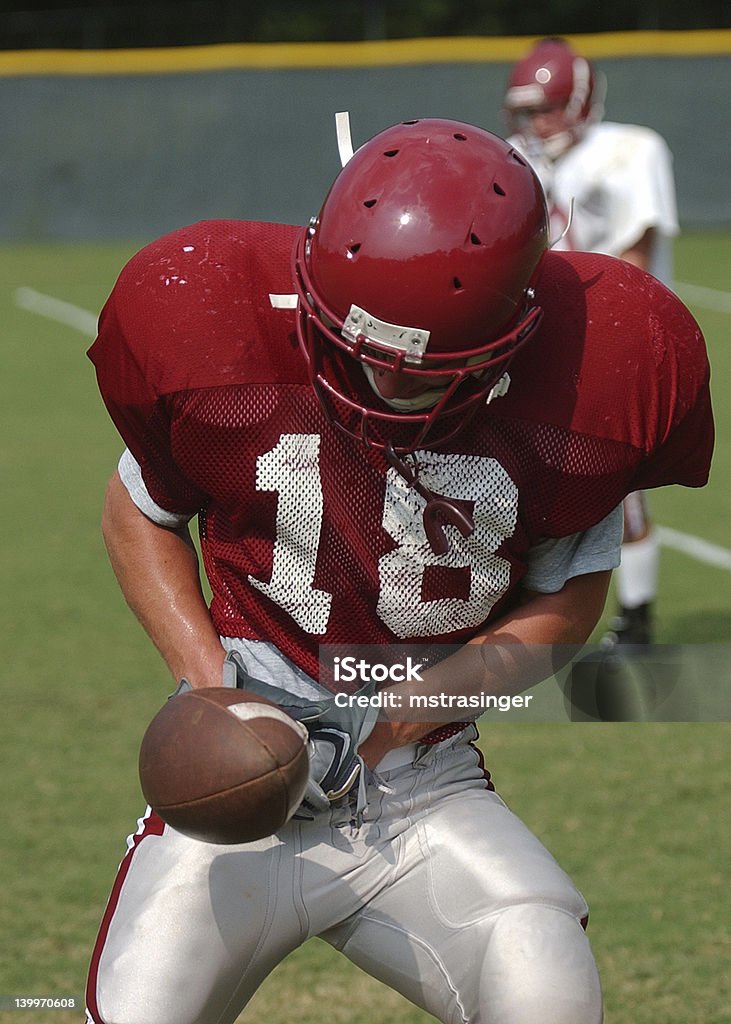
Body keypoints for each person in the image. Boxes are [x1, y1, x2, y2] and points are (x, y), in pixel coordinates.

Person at [84, 117, 713, 1024]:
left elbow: (567, 599)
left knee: (544, 981)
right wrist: (215, 688)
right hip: (244, 747)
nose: (381, 385)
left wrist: (387, 727)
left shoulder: (595, 372)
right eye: (353, 348)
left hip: (419, 786)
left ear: (515, 331)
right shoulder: (215, 320)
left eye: (421, 373)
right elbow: (138, 512)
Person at [503, 36, 681, 646]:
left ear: (580, 102)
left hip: (620, 338)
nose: (533, 124)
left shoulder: (630, 151)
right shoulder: (518, 157)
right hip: (541, 338)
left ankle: (633, 618)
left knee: (611, 481)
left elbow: (634, 257)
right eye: (524, 111)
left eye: (544, 108)